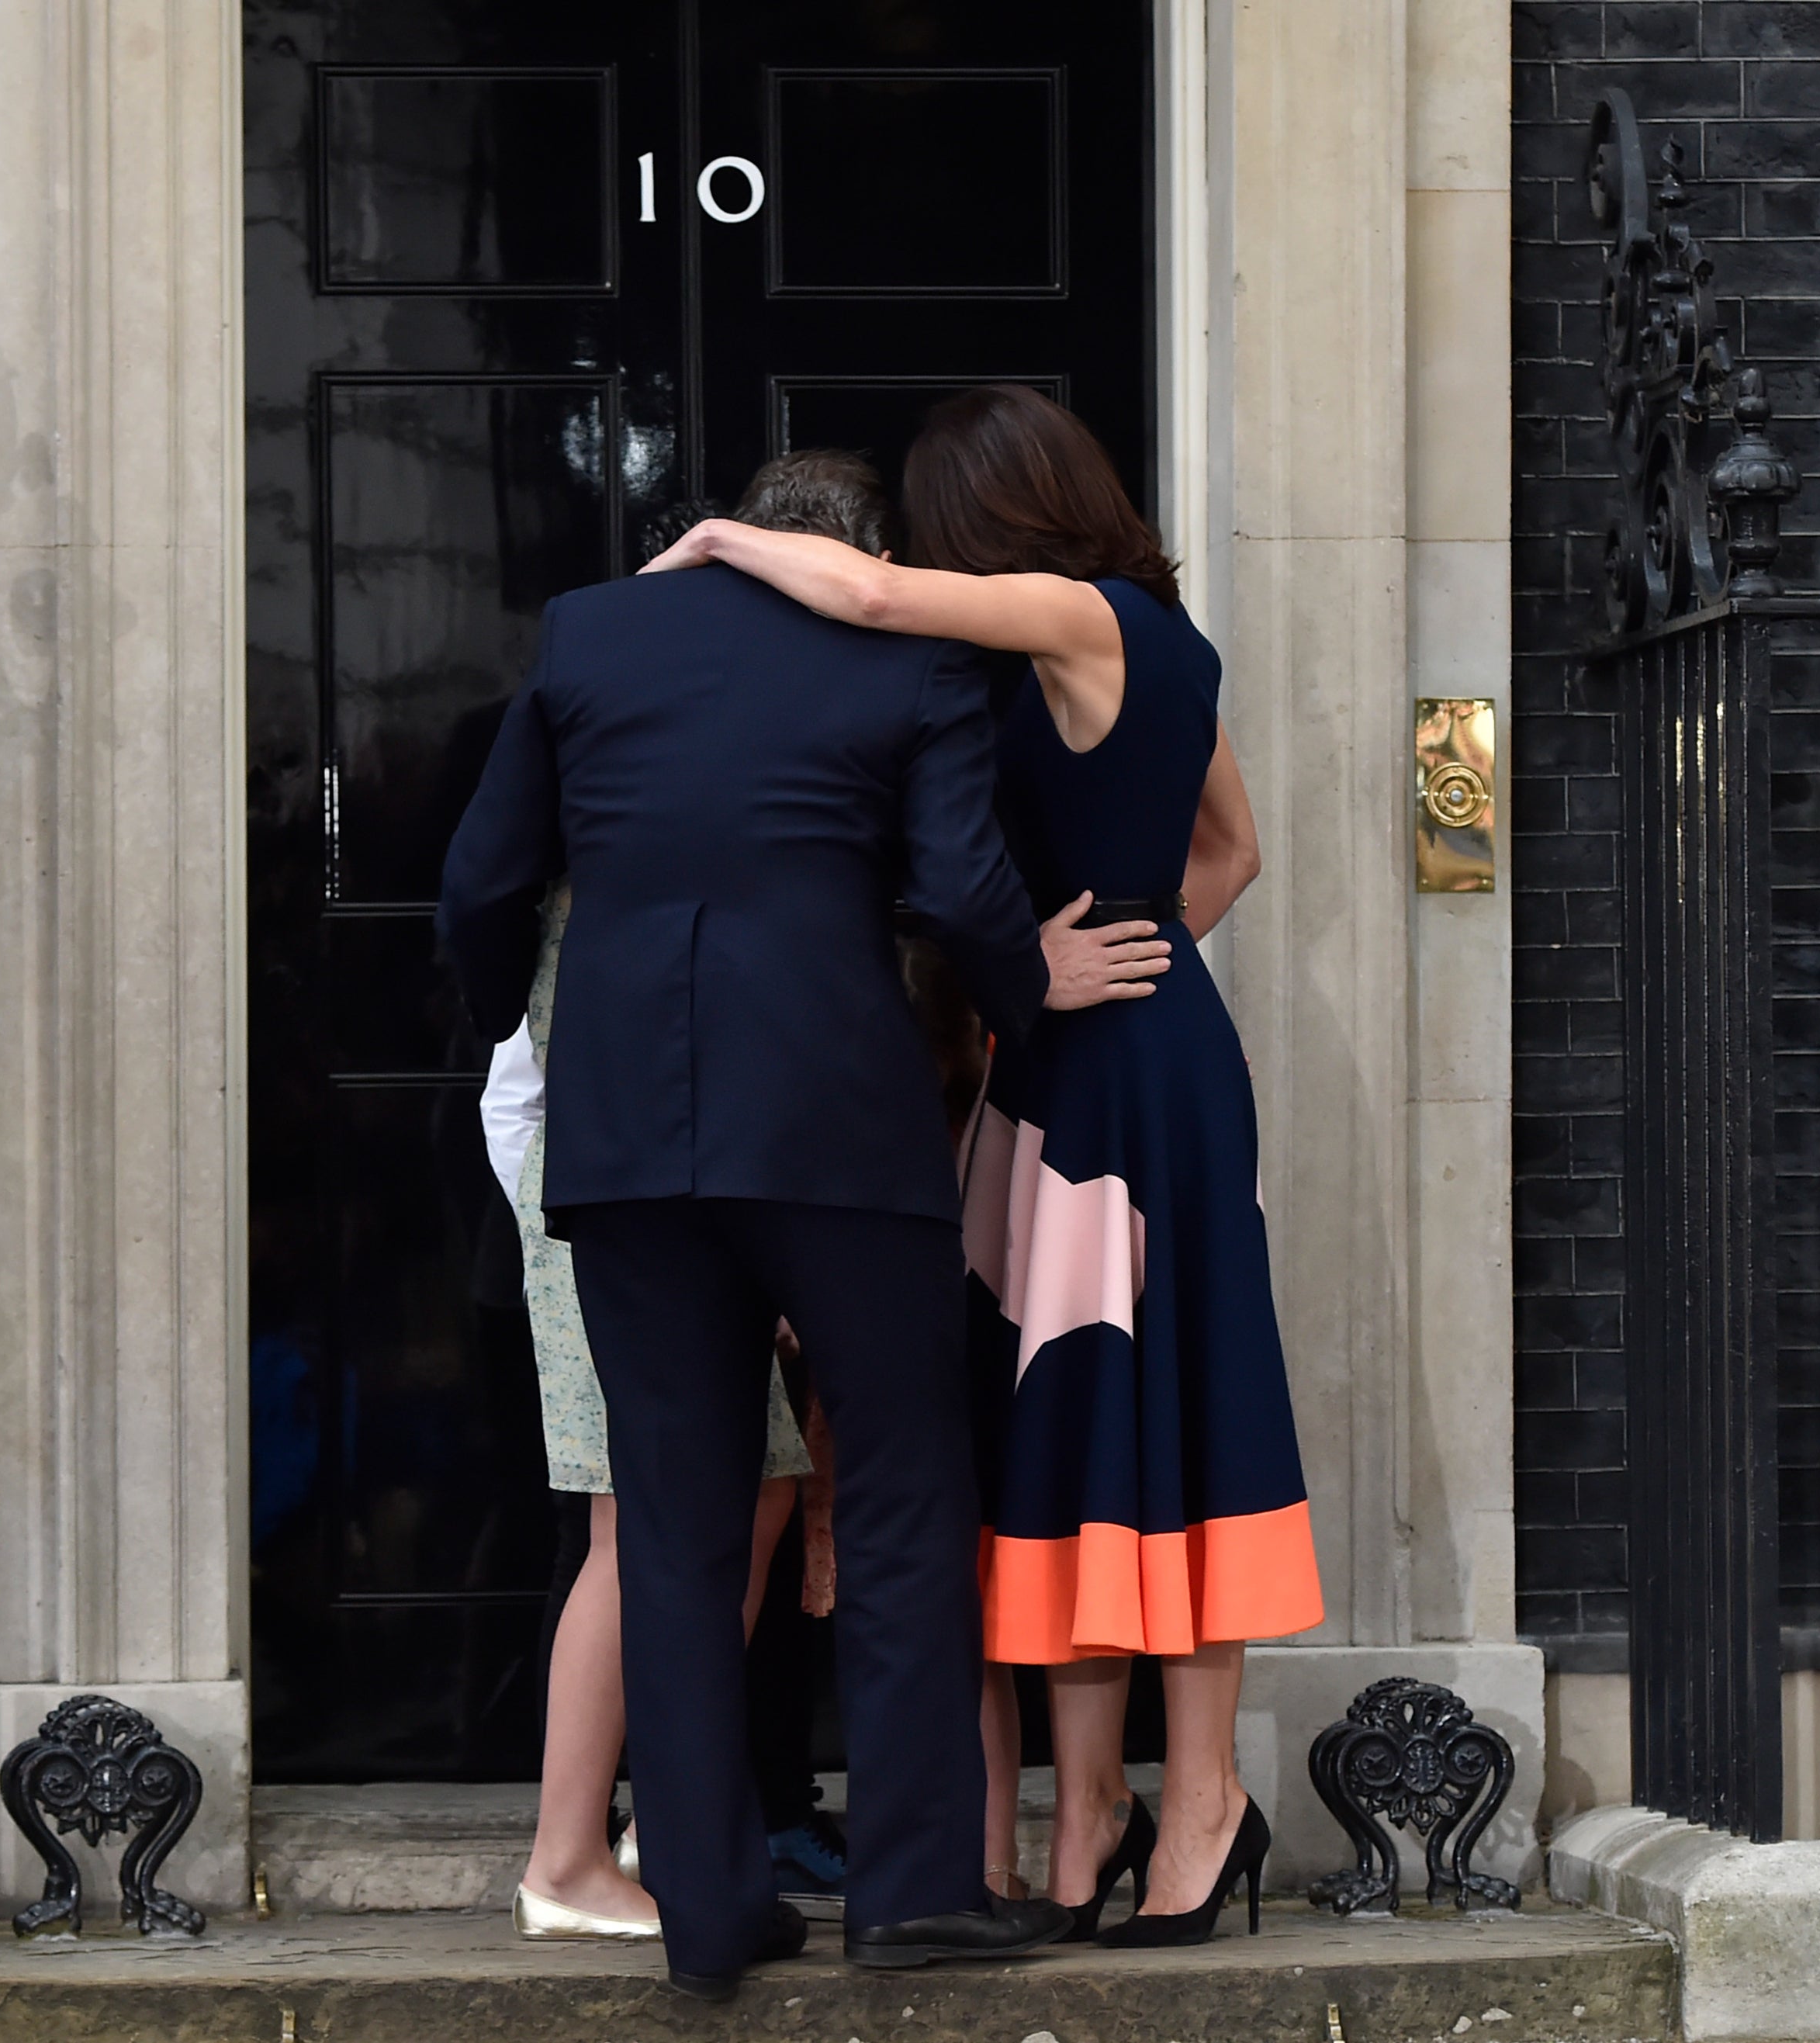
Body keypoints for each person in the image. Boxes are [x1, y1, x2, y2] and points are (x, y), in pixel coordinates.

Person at [438, 448, 1137, 2000]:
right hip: (837, 1127)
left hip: (627, 1139)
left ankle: (707, 1908)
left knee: (675, 1517)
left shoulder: (587, 635)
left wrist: (525, 1026)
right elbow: (961, 893)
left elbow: (479, 885)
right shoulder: (912, 654)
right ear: (856, 555)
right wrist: (1026, 997)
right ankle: (907, 1897)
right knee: (894, 1495)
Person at [641, 385, 1327, 1949]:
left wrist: (712, 539)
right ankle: (1103, 1823)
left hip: (1109, 1086)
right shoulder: (1165, 646)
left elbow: (873, 588)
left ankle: (1197, 1809)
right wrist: (1105, 972)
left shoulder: (1080, 616)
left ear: (998, 514)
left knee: (1147, 1427)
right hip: (1101, 1069)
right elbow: (1233, 853)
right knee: (1094, 1437)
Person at [481, 871, 811, 1944]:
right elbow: (513, 1092)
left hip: (687, 1198)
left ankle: (664, 1818)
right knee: (634, 1522)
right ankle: (565, 1858)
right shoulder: (576, 874)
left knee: (758, 1492)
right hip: (608, 1203)